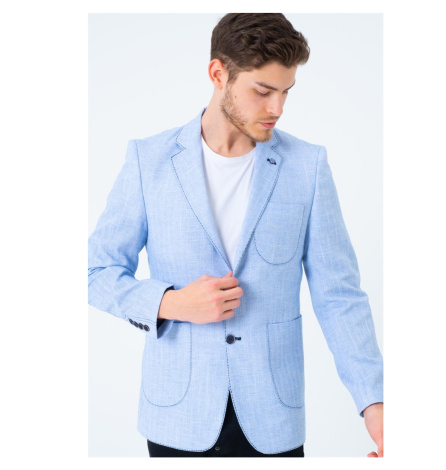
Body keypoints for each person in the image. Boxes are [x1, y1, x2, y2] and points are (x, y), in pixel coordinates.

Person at [88, 13, 384, 458]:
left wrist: (374, 403)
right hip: (177, 417)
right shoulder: (149, 161)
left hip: (273, 419)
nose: (277, 108)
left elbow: (338, 295)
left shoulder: (307, 166)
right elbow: (96, 271)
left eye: (286, 92)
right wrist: (171, 303)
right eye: (263, 91)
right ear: (218, 74)